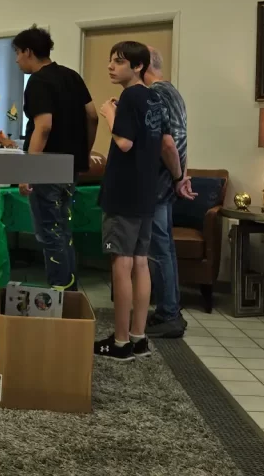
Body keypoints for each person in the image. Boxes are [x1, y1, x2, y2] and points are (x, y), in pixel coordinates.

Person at [94, 41, 165, 362]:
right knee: (140, 262)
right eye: (111, 60)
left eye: (119, 61)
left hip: (124, 192)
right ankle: (139, 337)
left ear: (137, 67)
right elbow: (164, 142)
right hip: (146, 191)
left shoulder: (129, 97)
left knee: (122, 264)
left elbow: (123, 142)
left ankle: (120, 342)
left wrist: (110, 113)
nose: (111, 66)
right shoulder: (154, 97)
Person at [13, 26, 97, 291]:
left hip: (47, 167)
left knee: (49, 232)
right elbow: (93, 116)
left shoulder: (38, 81)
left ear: (28, 51)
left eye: (17, 53)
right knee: (63, 229)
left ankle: (60, 293)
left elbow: (44, 126)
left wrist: (28, 171)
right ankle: (69, 293)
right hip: (69, 166)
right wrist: (83, 153)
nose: (16, 60)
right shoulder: (72, 76)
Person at [144, 47, 195, 339]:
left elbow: (168, 144)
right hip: (167, 181)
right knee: (165, 249)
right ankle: (170, 309)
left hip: (157, 183)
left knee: (159, 249)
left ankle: (168, 314)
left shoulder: (156, 94)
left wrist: (177, 176)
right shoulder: (172, 92)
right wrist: (181, 175)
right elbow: (181, 139)